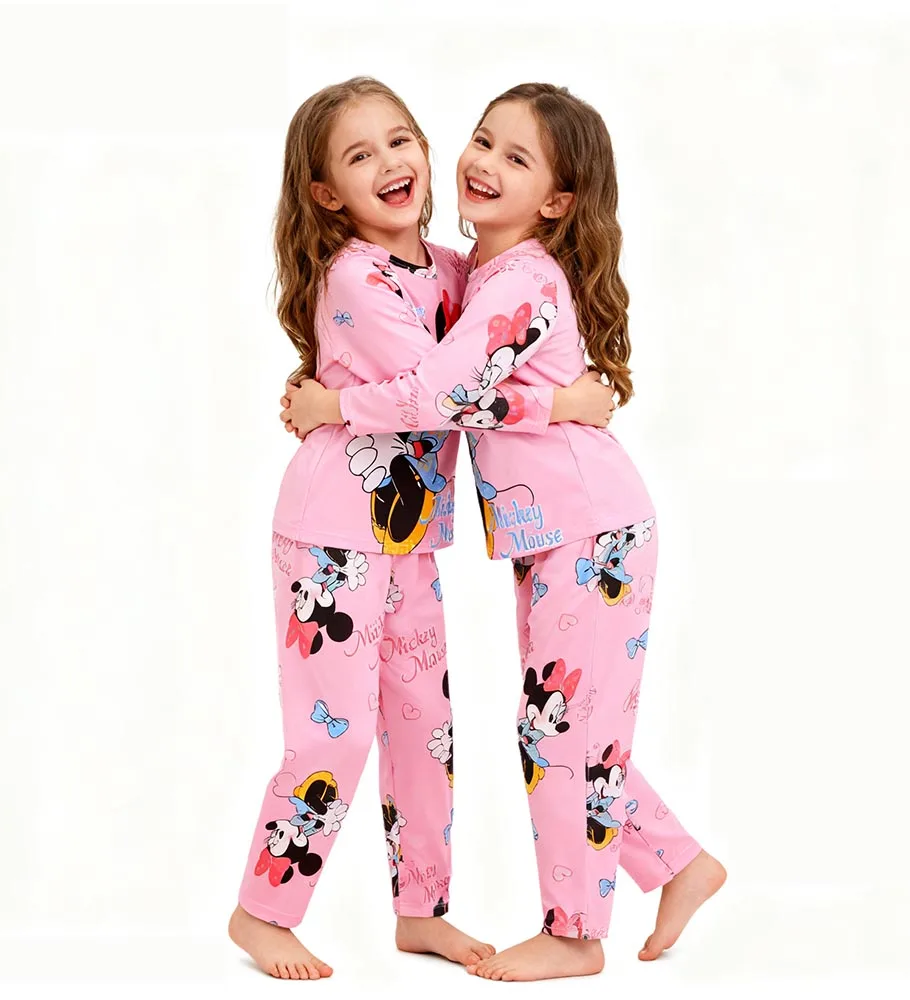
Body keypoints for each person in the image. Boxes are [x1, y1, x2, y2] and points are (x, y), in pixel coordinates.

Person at [282, 82, 726, 983]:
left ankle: (577, 932)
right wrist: (556, 397)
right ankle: (675, 862)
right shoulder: (473, 272)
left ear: (557, 201)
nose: (484, 162)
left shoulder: (518, 280)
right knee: (559, 727)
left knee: (559, 730)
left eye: (517, 159)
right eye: (483, 141)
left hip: (590, 531)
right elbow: (422, 333)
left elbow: (442, 392)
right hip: (559, 532)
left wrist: (336, 406)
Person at [230, 76, 613, 982]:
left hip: (407, 540)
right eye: (359, 156)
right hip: (331, 540)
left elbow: (496, 337)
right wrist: (561, 403)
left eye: (399, 140)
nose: (389, 163)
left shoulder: (455, 269)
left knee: (423, 727)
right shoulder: (353, 278)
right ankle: (262, 911)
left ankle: (420, 912)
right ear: (327, 194)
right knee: (334, 735)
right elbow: (443, 395)